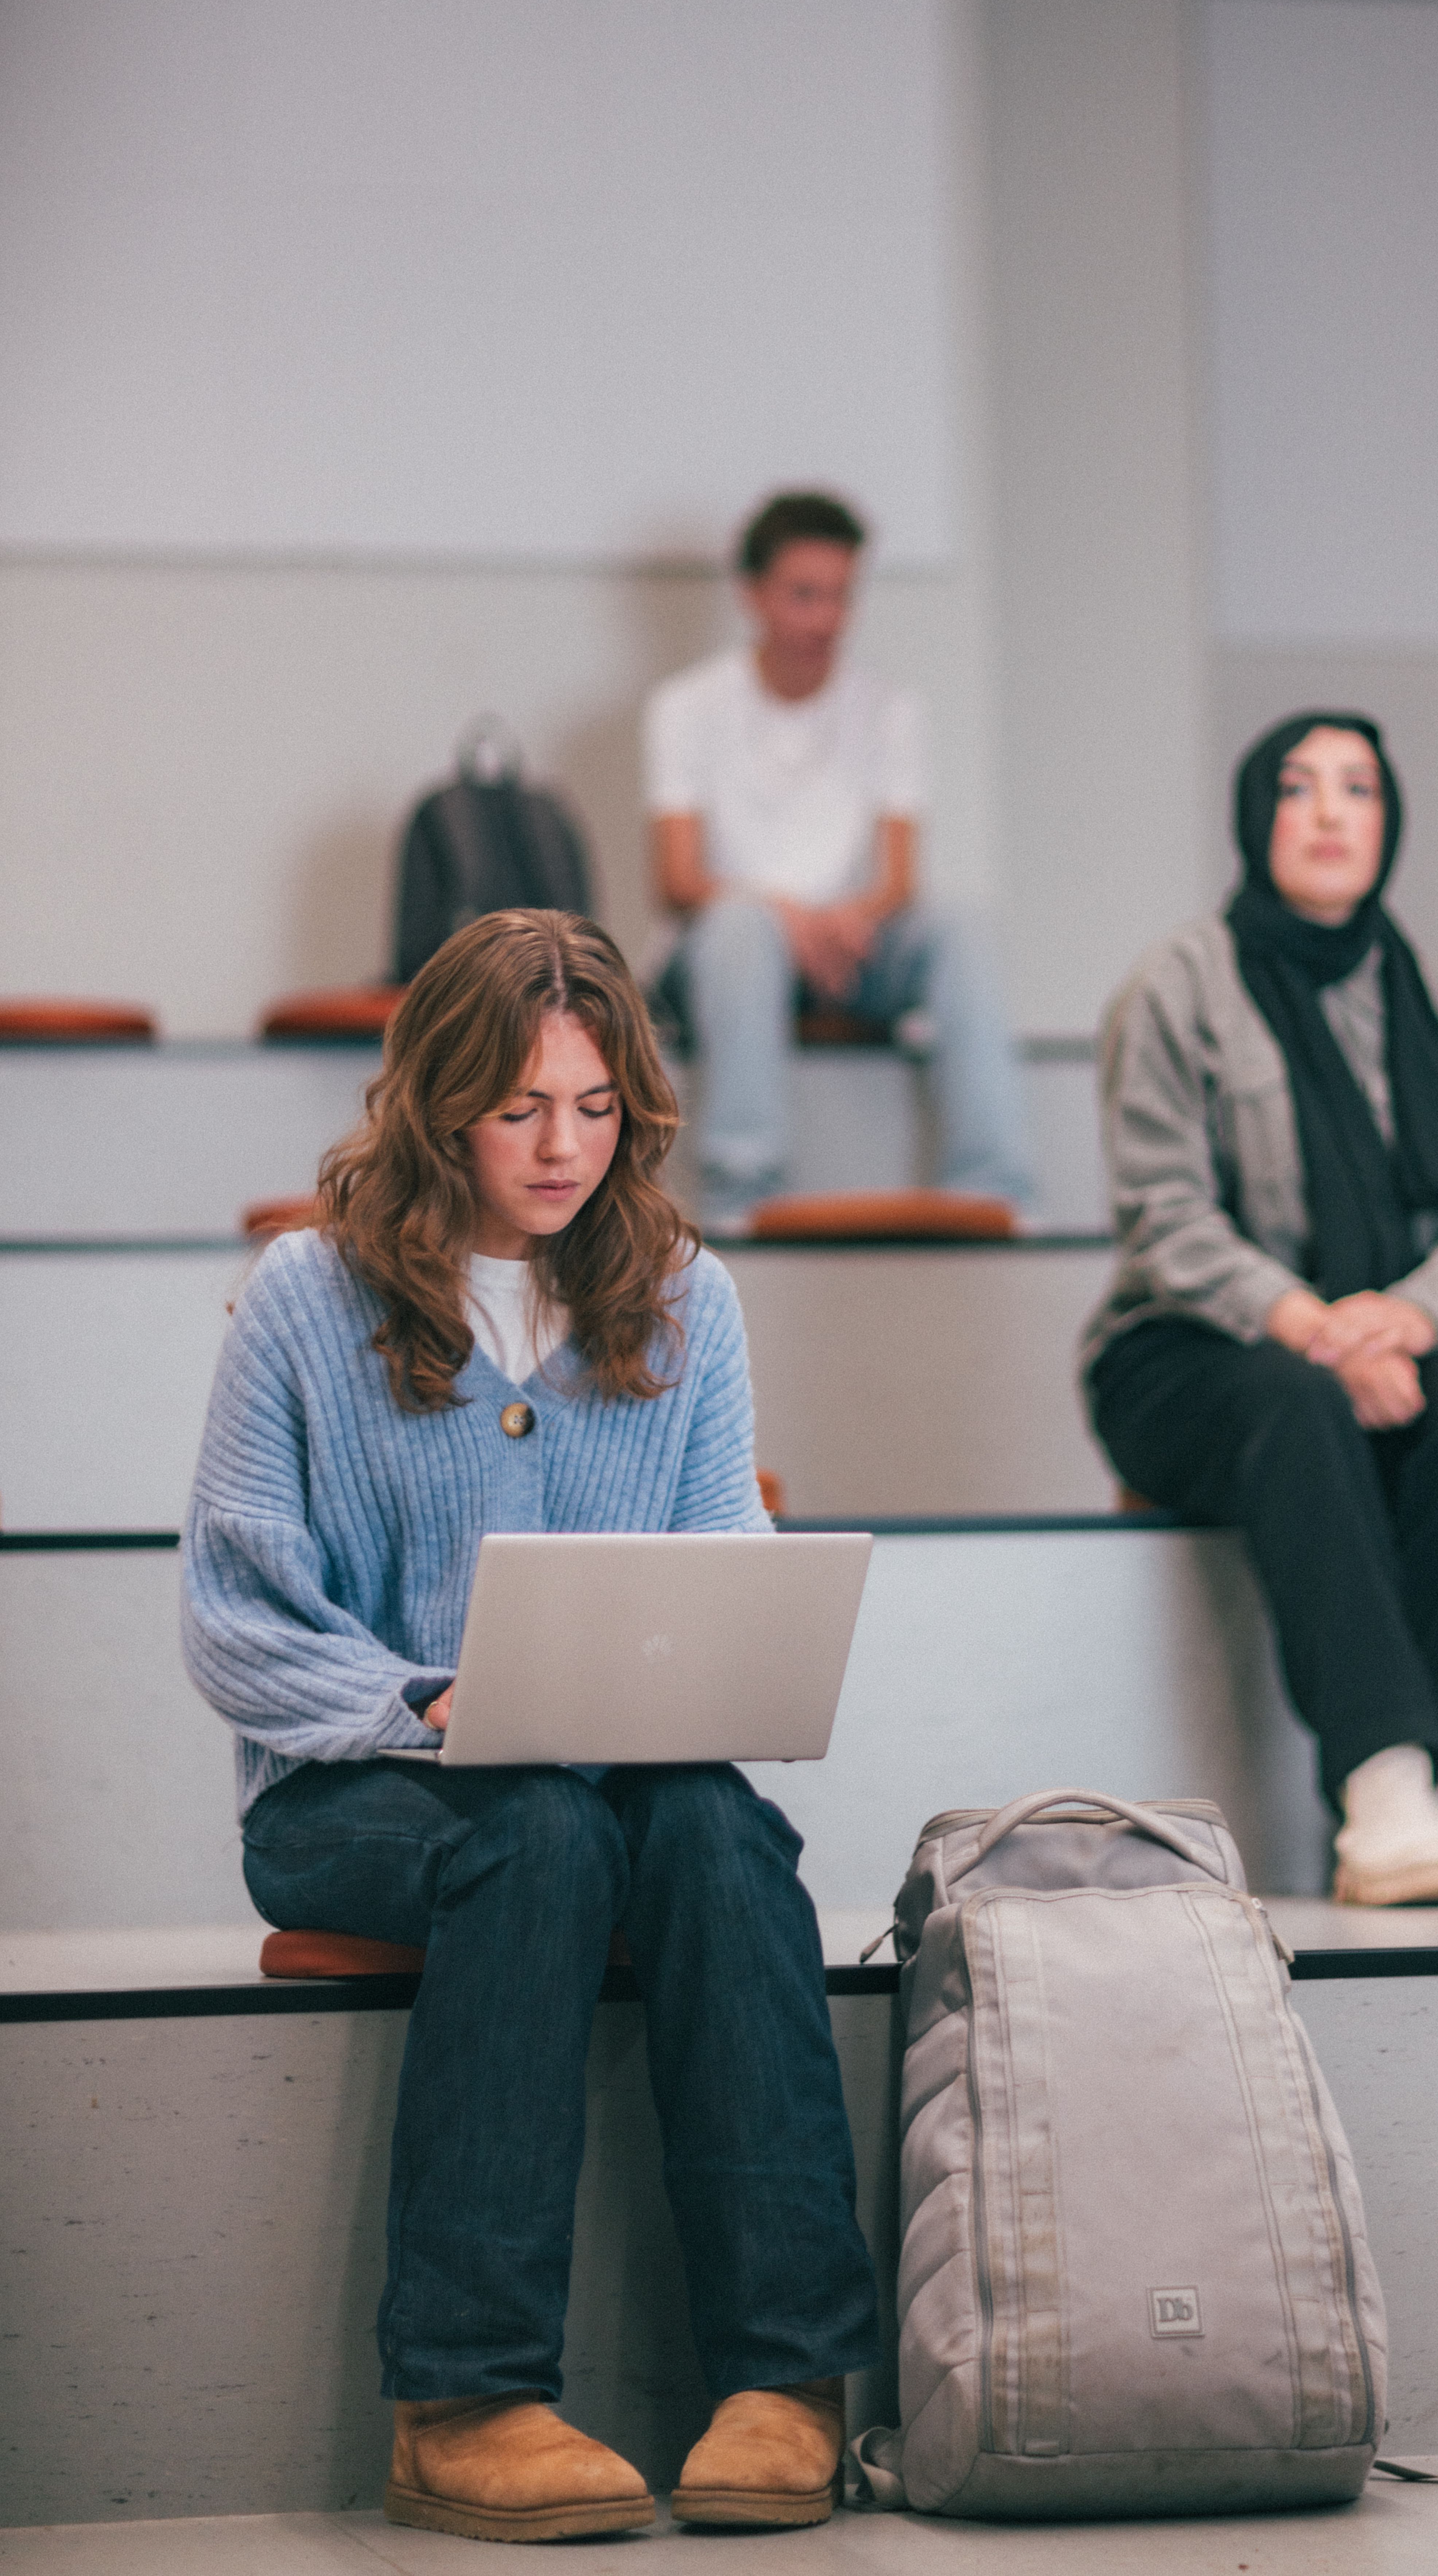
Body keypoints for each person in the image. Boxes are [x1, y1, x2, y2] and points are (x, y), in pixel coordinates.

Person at [180, 909, 877, 2542]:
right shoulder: (305, 1294)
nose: (563, 1147)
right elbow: (237, 1621)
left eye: (595, 1106)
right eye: (518, 1109)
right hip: (349, 1790)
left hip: (614, 1777)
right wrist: (418, 1704)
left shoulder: (687, 1294)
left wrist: (700, 1679)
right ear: (439, 1105)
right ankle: (464, 2398)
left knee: (718, 1831)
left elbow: (723, 1564)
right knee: (540, 1830)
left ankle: (789, 2379)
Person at [1081, 715, 1438, 1907]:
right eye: (1299, 789)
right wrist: (1314, 1327)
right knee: (1297, 1401)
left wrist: (1402, 1321)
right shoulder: (1176, 987)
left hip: (1379, 1339)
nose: (1332, 813)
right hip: (1184, 1352)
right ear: (1257, 820)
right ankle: (1382, 1784)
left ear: (1389, 821)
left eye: (1358, 789)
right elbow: (1163, 1216)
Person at [644, 488, 1032, 1231]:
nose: (825, 618)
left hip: (848, 950)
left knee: (964, 926)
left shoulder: (890, 709)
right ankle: (742, 1195)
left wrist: (836, 922)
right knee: (741, 930)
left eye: (841, 596)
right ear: (752, 594)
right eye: (804, 595)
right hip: (733, 952)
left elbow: (898, 879)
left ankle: (996, 1191)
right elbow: (679, 881)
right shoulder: (686, 707)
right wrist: (786, 917)